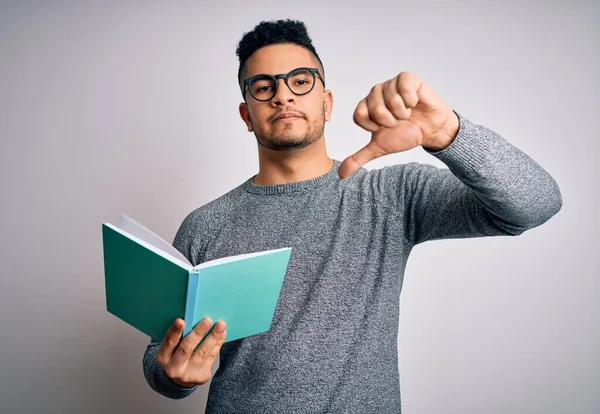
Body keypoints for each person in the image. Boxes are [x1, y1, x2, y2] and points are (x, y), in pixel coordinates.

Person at [142, 19, 562, 413]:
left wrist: (445, 132)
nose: (283, 95)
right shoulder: (205, 225)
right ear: (246, 115)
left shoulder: (391, 195)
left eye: (300, 81)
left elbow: (536, 204)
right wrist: (174, 376)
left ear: (326, 104)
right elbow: (158, 355)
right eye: (264, 87)